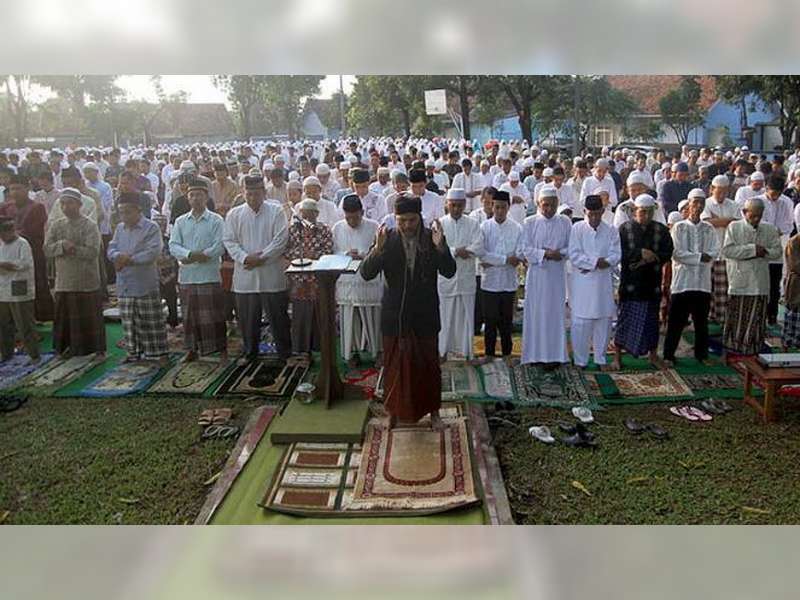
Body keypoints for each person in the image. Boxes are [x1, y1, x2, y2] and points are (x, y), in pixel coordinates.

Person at [360, 193, 456, 430]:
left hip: (425, 315)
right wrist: (377, 251)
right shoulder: (387, 238)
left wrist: (441, 247)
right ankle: (393, 413)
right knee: (395, 367)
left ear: (419, 217)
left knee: (429, 365)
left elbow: (450, 271)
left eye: (411, 220)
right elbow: (366, 273)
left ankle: (434, 414)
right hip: (395, 316)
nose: (407, 226)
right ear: (396, 218)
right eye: (402, 220)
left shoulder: (431, 238)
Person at [223, 174, 291, 363]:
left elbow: (280, 240)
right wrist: (245, 258)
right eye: (249, 193)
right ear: (244, 193)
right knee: (247, 320)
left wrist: (261, 258)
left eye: (257, 193)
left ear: (264, 192)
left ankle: (285, 353)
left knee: (278, 318)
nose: (253, 197)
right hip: (246, 276)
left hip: (271, 273)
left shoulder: (276, 211)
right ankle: (250, 352)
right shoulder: (234, 214)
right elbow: (229, 240)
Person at [169, 179, 228, 363]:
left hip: (208, 275)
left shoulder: (216, 220)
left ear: (206, 197)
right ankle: (192, 350)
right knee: (189, 317)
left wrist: (204, 255)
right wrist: (189, 254)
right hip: (187, 277)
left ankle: (221, 350)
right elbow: (173, 245)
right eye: (192, 195)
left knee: (214, 316)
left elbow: (221, 245)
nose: (195, 198)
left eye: (199, 195)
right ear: (187, 198)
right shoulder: (180, 221)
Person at [612, 194, 673, 369]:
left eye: (648, 212)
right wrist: (639, 253)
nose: (645, 215)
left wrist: (653, 257)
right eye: (641, 212)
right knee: (625, 320)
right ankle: (617, 358)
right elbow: (618, 253)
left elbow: (668, 252)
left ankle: (652, 356)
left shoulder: (661, 230)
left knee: (651, 322)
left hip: (651, 283)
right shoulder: (624, 229)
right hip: (631, 284)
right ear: (634, 211)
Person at [43, 188, 105, 358]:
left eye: (69, 203)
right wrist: (62, 245)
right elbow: (47, 249)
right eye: (62, 203)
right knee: (65, 318)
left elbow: (93, 252)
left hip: (86, 280)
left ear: (79, 204)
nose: (65, 207)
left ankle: (93, 350)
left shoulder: (89, 225)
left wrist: (74, 249)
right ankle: (66, 348)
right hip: (64, 280)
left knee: (88, 318)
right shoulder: (57, 225)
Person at [108, 192, 169, 365]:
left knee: (151, 321)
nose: (124, 216)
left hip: (144, 282)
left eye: (127, 212)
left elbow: (152, 252)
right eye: (121, 212)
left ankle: (159, 354)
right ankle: (133, 353)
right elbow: (111, 249)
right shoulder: (120, 228)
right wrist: (118, 255)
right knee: (129, 321)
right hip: (125, 282)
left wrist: (128, 259)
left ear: (138, 210)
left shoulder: (151, 228)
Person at [662, 194, 719, 366]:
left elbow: (714, 251)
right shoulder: (678, 228)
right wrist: (700, 257)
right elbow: (677, 254)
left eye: (702, 203)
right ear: (689, 204)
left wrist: (700, 257)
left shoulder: (709, 228)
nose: (698, 206)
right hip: (682, 282)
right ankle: (668, 355)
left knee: (701, 322)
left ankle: (701, 355)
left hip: (702, 282)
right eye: (695, 202)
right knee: (676, 322)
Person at [722, 197, 782, 355]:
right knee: (737, 316)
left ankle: (753, 349)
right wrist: (752, 250)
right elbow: (728, 251)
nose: (756, 219)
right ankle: (733, 349)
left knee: (757, 318)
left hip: (760, 280)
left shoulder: (769, 229)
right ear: (744, 212)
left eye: (759, 216)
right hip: (739, 279)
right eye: (753, 215)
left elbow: (777, 252)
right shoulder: (734, 227)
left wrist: (765, 252)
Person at [519, 186, 571, 367]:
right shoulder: (530, 222)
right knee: (536, 314)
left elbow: (571, 247)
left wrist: (560, 253)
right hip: (537, 277)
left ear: (557, 204)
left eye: (552, 205)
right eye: (545, 205)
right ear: (539, 204)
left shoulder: (565, 222)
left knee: (555, 314)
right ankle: (535, 355)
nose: (548, 209)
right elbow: (525, 249)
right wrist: (545, 254)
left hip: (556, 276)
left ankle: (555, 356)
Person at [568, 194, 621, 370]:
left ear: (603, 211)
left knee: (603, 323)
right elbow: (574, 255)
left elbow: (616, 255)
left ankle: (600, 359)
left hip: (602, 284)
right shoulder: (577, 229)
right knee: (581, 324)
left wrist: (597, 263)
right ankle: (580, 361)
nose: (594, 218)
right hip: (582, 285)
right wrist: (596, 262)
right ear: (584, 212)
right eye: (590, 214)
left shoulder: (611, 230)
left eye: (597, 214)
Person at [332, 194, 383, 368]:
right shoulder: (337, 228)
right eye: (348, 217)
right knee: (349, 319)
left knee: (373, 317)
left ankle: (377, 352)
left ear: (362, 212)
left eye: (355, 217)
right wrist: (346, 254)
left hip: (369, 281)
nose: (352, 221)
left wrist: (364, 255)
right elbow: (333, 253)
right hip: (346, 281)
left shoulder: (374, 226)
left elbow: (379, 252)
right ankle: (351, 353)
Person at [437, 188, 483, 361]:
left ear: (464, 205)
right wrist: (457, 251)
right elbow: (436, 248)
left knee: (467, 317)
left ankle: (468, 352)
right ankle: (442, 352)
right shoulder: (440, 224)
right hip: (446, 280)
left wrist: (467, 251)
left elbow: (479, 247)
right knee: (445, 316)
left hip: (466, 278)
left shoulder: (472, 223)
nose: (456, 208)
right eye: (453, 205)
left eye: (459, 205)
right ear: (447, 205)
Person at [0, 174, 53, 321]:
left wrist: (10, 234)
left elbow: (31, 233)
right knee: (11, 292)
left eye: (18, 188)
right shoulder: (5, 207)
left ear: (27, 188)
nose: (15, 192)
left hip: (32, 255)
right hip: (7, 256)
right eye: (12, 189)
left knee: (32, 289)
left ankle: (33, 323)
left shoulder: (37, 207)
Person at [283, 198, 333, 356]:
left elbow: (329, 250)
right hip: (298, 280)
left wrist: (315, 256)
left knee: (318, 314)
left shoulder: (324, 229)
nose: (307, 217)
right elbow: (286, 251)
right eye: (304, 214)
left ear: (317, 214)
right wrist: (303, 256)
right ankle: (300, 349)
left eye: (310, 214)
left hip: (317, 279)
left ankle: (318, 348)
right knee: (300, 315)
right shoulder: (293, 230)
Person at [479, 190, 522, 358]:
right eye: (496, 207)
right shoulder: (484, 227)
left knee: (506, 321)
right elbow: (482, 256)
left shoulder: (517, 228)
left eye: (503, 208)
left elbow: (518, 255)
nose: (499, 211)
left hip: (508, 282)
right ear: (491, 206)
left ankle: (507, 354)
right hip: (489, 282)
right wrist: (505, 259)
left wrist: (494, 261)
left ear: (508, 207)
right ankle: (489, 354)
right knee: (489, 321)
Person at [701, 176, 741, 324]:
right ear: (712, 189)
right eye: (719, 192)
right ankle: (708, 316)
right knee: (707, 286)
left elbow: (737, 225)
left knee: (723, 287)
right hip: (709, 251)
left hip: (726, 252)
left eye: (725, 192)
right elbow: (706, 223)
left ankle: (722, 317)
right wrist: (727, 220)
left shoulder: (734, 205)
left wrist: (718, 220)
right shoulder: (705, 204)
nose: (722, 195)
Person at [0, 217, 40, 364]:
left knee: (24, 325)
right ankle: (6, 354)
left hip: (19, 288)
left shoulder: (22, 244)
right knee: (4, 326)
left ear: (11, 231)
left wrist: (6, 265)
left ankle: (34, 355)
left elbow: (24, 264)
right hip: (2, 289)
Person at [758, 175, 794, 325]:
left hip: (776, 249)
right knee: (760, 285)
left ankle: (771, 315)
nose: (775, 197)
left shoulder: (786, 202)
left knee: (774, 285)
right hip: (760, 248)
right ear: (766, 189)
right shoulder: (757, 201)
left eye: (778, 194)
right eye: (773, 194)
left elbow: (789, 225)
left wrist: (776, 231)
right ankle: (758, 314)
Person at [783, 231, 800, 349]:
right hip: (796, 286)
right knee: (794, 314)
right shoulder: (794, 242)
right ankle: (790, 344)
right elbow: (795, 266)